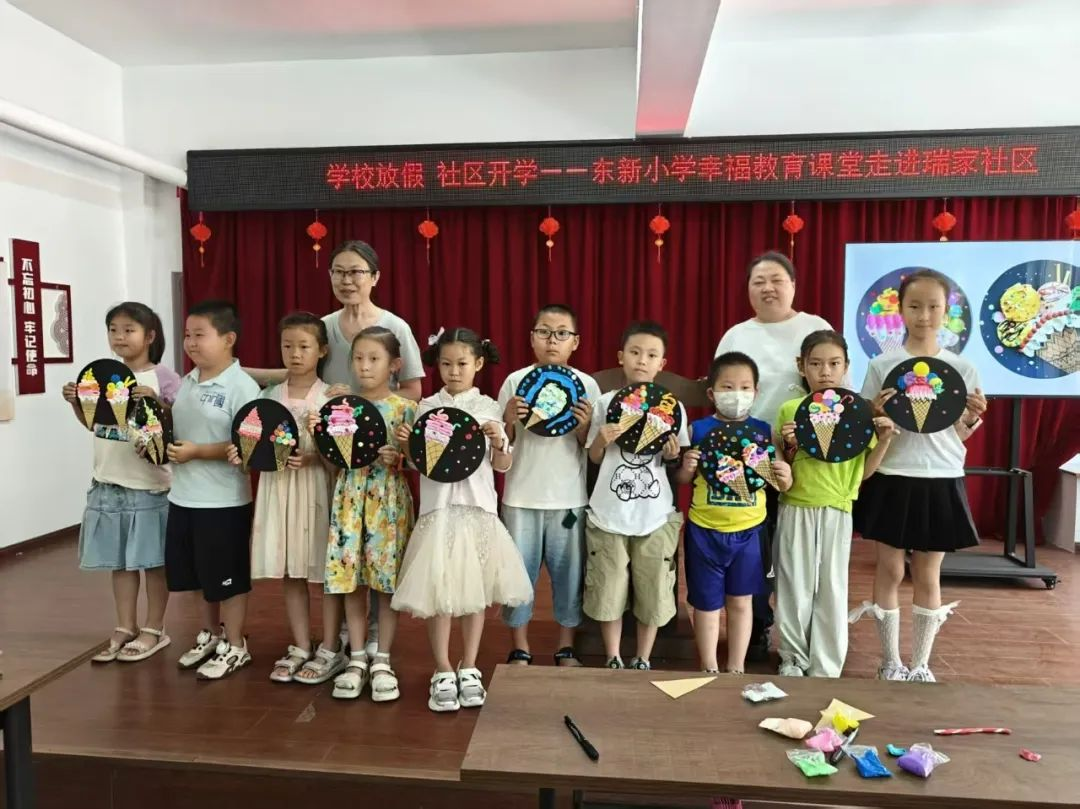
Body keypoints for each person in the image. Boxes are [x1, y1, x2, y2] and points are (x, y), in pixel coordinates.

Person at [247, 240, 425, 657]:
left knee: (378, 557)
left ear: (374, 277)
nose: (347, 280)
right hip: (336, 460)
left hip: (376, 461)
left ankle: (375, 642)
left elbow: (414, 390)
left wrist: (366, 413)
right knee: (346, 555)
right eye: (339, 272)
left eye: (356, 272)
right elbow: (302, 371)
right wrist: (242, 372)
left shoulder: (395, 327)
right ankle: (347, 639)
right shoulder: (323, 326)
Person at [852, 269, 987, 683]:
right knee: (890, 570)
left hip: (942, 474)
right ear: (900, 309)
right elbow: (867, 423)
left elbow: (959, 433)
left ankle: (921, 665)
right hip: (893, 474)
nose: (924, 315)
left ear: (946, 312)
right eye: (915, 306)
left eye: (933, 307)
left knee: (928, 572)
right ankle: (890, 662)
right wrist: (875, 413)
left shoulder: (962, 368)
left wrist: (972, 417)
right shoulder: (882, 364)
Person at [392, 328, 531, 713]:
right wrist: (407, 445)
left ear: (479, 364)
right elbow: (419, 463)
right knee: (440, 595)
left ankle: (469, 666)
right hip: (438, 512)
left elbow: (502, 465)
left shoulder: (488, 407)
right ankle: (442, 668)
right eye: (446, 364)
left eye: (462, 364)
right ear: (437, 365)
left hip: (478, 511)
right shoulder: (426, 407)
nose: (454, 371)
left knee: (475, 596)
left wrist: (499, 439)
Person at [714, 251, 836, 662]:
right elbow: (721, 391)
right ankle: (758, 627)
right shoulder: (736, 335)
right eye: (759, 281)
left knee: (798, 548)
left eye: (777, 280)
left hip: (804, 458)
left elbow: (836, 392)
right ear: (749, 289)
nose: (768, 288)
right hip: (746, 457)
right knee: (754, 545)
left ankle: (804, 630)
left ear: (793, 286)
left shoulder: (814, 327)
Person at [297, 327, 416, 702]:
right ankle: (357, 656)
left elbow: (416, 463)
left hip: (387, 503)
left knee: (385, 582)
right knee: (351, 579)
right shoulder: (341, 408)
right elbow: (334, 463)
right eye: (359, 358)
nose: (365, 366)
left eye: (374, 359)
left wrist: (399, 458)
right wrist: (320, 438)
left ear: (394, 365)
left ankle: (383, 659)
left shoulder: (405, 409)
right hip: (348, 500)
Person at [62, 302, 180, 664]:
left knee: (153, 562)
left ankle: (154, 628)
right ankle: (125, 625)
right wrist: (76, 403)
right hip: (107, 481)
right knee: (120, 563)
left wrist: (158, 402)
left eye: (129, 330)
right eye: (113, 329)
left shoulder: (163, 376)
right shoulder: (101, 376)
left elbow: (178, 424)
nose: (119, 337)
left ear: (150, 336)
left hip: (149, 485)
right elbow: (95, 425)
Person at [774, 330, 896, 678]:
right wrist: (790, 447)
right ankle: (793, 659)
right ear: (802, 366)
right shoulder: (790, 410)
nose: (825, 371)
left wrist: (884, 440)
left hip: (838, 509)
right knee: (794, 586)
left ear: (845, 366)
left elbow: (863, 472)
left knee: (831, 587)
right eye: (815, 364)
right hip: (796, 506)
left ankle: (826, 665)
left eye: (833, 363)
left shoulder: (858, 412)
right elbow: (781, 466)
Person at [225, 312, 332, 683]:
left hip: (314, 489)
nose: (295, 354)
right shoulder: (268, 397)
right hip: (279, 488)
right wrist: (241, 453)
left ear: (322, 350)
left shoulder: (331, 396)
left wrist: (314, 457)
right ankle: (300, 644)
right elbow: (251, 444)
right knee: (291, 571)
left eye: (304, 346)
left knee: (324, 572)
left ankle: (330, 646)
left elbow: (341, 455)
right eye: (288, 346)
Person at [675, 352, 792, 674]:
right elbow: (682, 479)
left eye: (745, 387)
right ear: (711, 393)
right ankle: (709, 665)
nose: (737, 394)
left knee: (742, 602)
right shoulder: (697, 430)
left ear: (756, 392)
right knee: (706, 605)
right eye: (727, 387)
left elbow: (781, 482)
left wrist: (785, 476)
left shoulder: (764, 431)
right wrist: (686, 468)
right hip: (704, 531)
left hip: (750, 532)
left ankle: (737, 667)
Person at [498, 304, 600, 667]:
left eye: (561, 333)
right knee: (517, 576)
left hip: (568, 499)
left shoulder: (586, 385)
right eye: (544, 332)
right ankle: (520, 646)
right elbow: (502, 443)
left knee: (569, 575)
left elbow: (593, 448)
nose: (552, 340)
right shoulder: (515, 382)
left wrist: (584, 427)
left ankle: (566, 646)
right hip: (520, 497)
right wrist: (508, 420)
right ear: (532, 338)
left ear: (575, 342)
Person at [584, 321, 689, 670]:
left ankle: (643, 656)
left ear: (662, 363)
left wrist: (673, 455)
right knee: (608, 585)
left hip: (655, 515)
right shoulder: (605, 403)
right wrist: (602, 440)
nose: (642, 360)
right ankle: (613, 655)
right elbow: (594, 458)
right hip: (608, 513)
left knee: (653, 586)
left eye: (651, 355)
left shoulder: (672, 407)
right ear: (621, 357)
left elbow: (676, 461)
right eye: (635, 352)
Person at [165, 300, 261, 680]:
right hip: (182, 496)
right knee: (197, 577)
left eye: (200, 335)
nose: (191, 342)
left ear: (228, 339)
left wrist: (197, 452)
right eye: (188, 335)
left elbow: (248, 444)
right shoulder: (187, 382)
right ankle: (210, 635)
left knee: (228, 578)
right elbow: (179, 433)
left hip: (223, 501)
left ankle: (236, 645)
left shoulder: (242, 387)